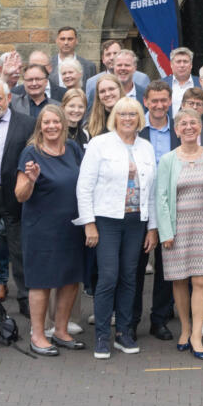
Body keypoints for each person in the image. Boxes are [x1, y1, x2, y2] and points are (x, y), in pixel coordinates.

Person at [76, 96, 158, 360]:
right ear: (114, 117)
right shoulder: (100, 144)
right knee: (108, 277)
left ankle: (124, 332)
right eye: (122, 114)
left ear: (139, 119)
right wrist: (89, 223)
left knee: (129, 277)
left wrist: (152, 227)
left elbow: (153, 192)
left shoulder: (146, 147)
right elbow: (84, 186)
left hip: (137, 222)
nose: (127, 119)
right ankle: (102, 335)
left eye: (132, 114)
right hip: (106, 221)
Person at [14, 103, 87, 356]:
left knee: (70, 279)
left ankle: (61, 330)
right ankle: (37, 335)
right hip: (42, 229)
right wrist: (31, 181)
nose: (52, 126)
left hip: (72, 226)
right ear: (40, 126)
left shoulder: (74, 149)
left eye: (56, 121)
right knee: (42, 282)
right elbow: (20, 196)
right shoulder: (31, 153)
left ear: (64, 124)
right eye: (46, 122)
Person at [154, 109, 203, 359]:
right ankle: (185, 328)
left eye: (193, 123)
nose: (189, 127)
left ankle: (196, 336)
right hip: (177, 228)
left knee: (201, 282)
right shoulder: (169, 160)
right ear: (177, 129)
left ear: (200, 128)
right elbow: (161, 197)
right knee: (180, 281)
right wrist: (165, 232)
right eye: (184, 124)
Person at [0, 79, 36, 315]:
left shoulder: (26, 124)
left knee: (19, 249)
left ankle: (25, 298)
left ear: (9, 98)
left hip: (14, 194)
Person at [86, 74, 124, 141]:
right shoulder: (92, 124)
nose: (107, 94)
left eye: (111, 89)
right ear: (98, 96)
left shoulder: (132, 116)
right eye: (102, 91)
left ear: (120, 89)